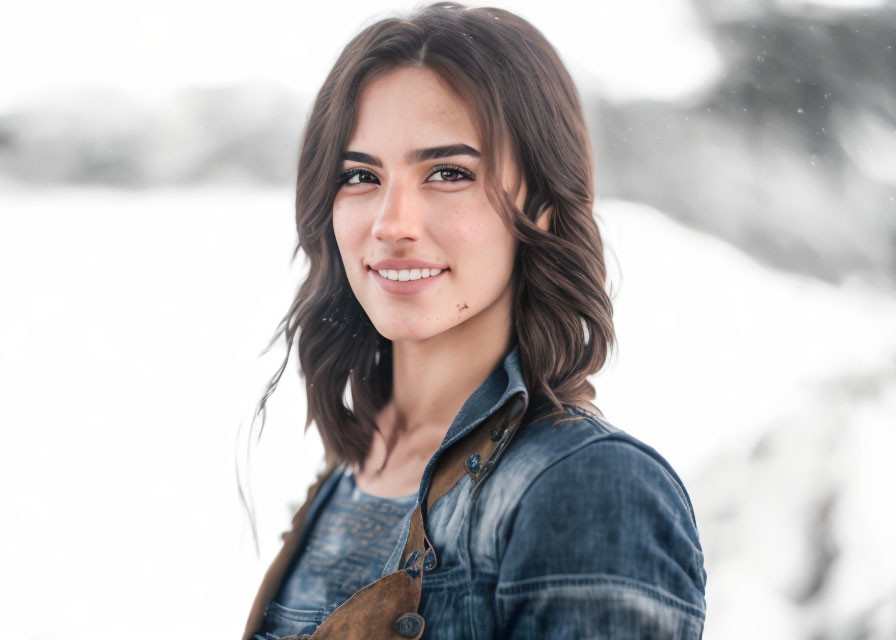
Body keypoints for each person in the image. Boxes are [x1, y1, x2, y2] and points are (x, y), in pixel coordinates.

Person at [241, 2, 707, 638]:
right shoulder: (352, 468)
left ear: (541, 202)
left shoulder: (588, 487)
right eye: (360, 176)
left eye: (448, 173)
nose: (391, 224)